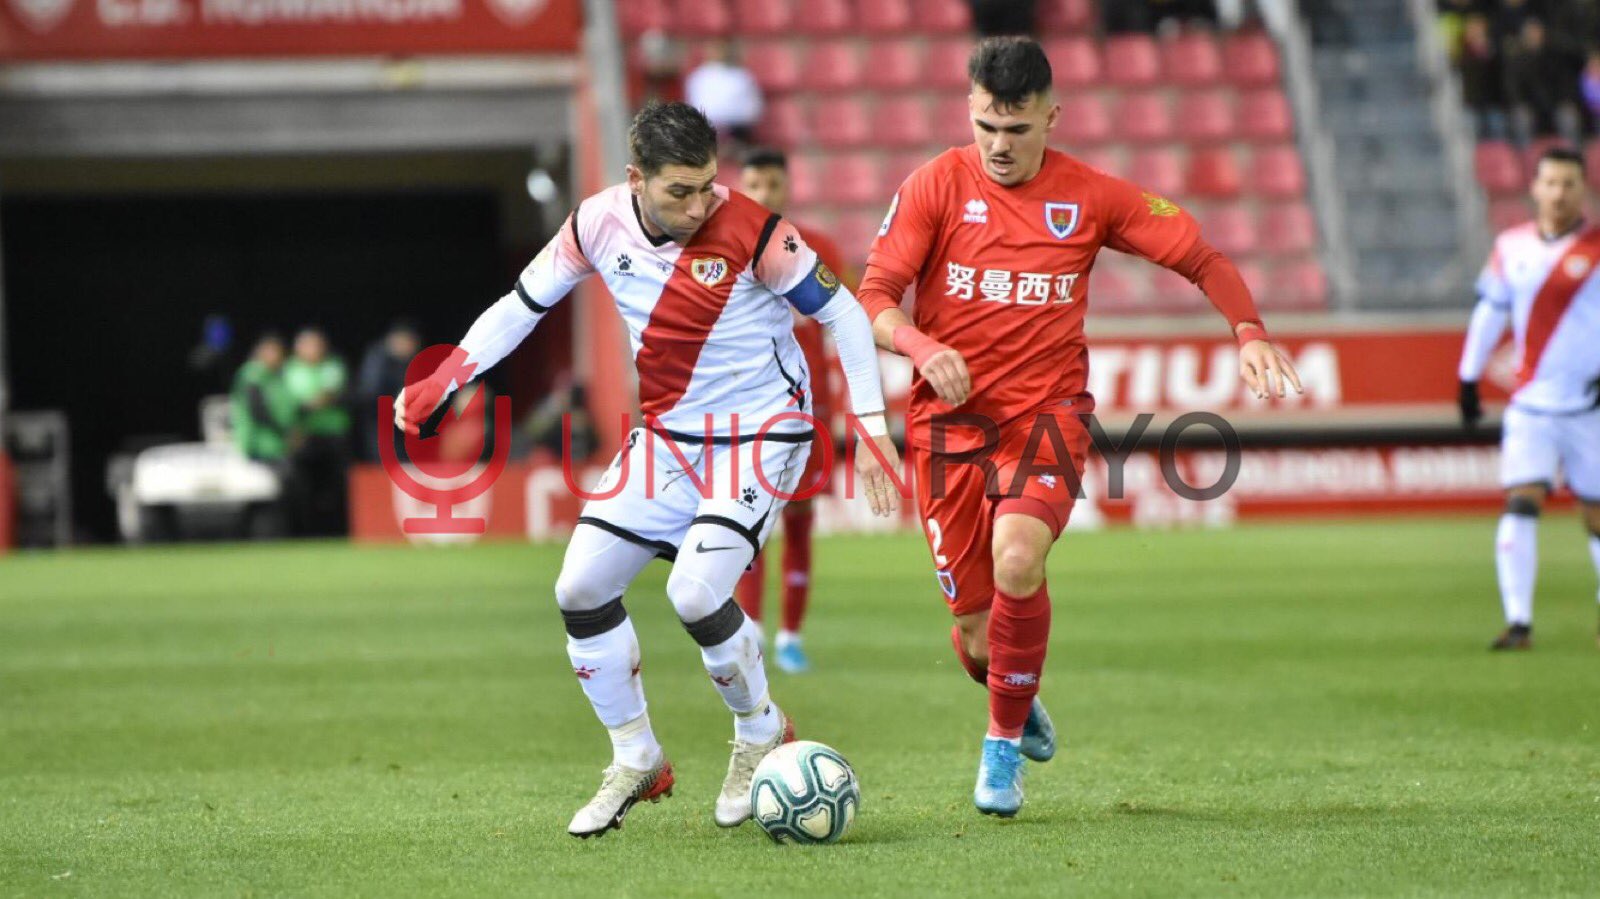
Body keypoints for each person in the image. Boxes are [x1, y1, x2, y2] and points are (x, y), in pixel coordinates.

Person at [395, 101, 899, 838]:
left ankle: (761, 730)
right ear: (636, 178)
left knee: (695, 592)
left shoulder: (756, 230)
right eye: (679, 192)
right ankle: (637, 756)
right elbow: (521, 306)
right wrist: (451, 372)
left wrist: (871, 424)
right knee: (579, 585)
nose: (699, 206)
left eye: (707, 186)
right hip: (669, 438)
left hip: (762, 430)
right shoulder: (596, 222)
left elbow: (846, 316)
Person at [856, 37, 1302, 818]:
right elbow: (875, 299)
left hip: (1047, 419)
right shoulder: (932, 185)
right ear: (970, 109)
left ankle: (999, 747)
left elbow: (1200, 254)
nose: (999, 146)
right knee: (974, 635)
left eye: (1018, 129)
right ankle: (1013, 691)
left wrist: (1250, 330)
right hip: (946, 428)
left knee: (1019, 555)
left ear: (1051, 118)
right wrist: (923, 347)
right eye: (988, 125)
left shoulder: (1090, 197)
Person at [1457, 145, 1600, 651]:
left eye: (1569, 184)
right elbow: (1490, 313)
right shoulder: (1511, 246)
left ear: (1582, 189)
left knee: (1596, 515)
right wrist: (1468, 378)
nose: (1559, 193)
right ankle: (1518, 623)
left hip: (1590, 407)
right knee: (1521, 501)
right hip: (1531, 406)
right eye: (1551, 183)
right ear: (1534, 188)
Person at [735, 147, 853, 674]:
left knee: (801, 521)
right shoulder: (728, 252)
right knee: (748, 520)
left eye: (773, 185)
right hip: (750, 408)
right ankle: (752, 629)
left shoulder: (818, 248)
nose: (764, 195)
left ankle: (790, 637)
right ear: (742, 188)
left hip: (811, 410)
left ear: (787, 188)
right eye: (754, 185)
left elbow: (845, 324)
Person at [283, 328, 350, 536]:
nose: (313, 350)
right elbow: (286, 402)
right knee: (304, 488)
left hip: (333, 435)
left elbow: (329, 394)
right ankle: (306, 533)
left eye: (316, 345)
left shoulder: (332, 365)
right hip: (303, 437)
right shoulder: (289, 370)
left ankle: (340, 531)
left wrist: (307, 405)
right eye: (307, 345)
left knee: (336, 487)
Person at [355, 321, 420, 463]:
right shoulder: (377, 360)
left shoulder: (412, 362)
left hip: (404, 422)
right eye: (405, 342)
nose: (409, 347)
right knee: (383, 460)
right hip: (379, 419)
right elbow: (369, 392)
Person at [230, 333, 296, 464]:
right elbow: (258, 410)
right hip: (258, 444)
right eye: (270, 351)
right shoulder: (252, 374)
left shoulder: (277, 377)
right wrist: (285, 432)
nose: (274, 356)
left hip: (278, 445)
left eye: (277, 352)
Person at [684, 39, 763, 147]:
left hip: (736, 130)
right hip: (706, 131)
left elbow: (753, 110)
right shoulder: (697, 77)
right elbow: (693, 107)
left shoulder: (742, 76)